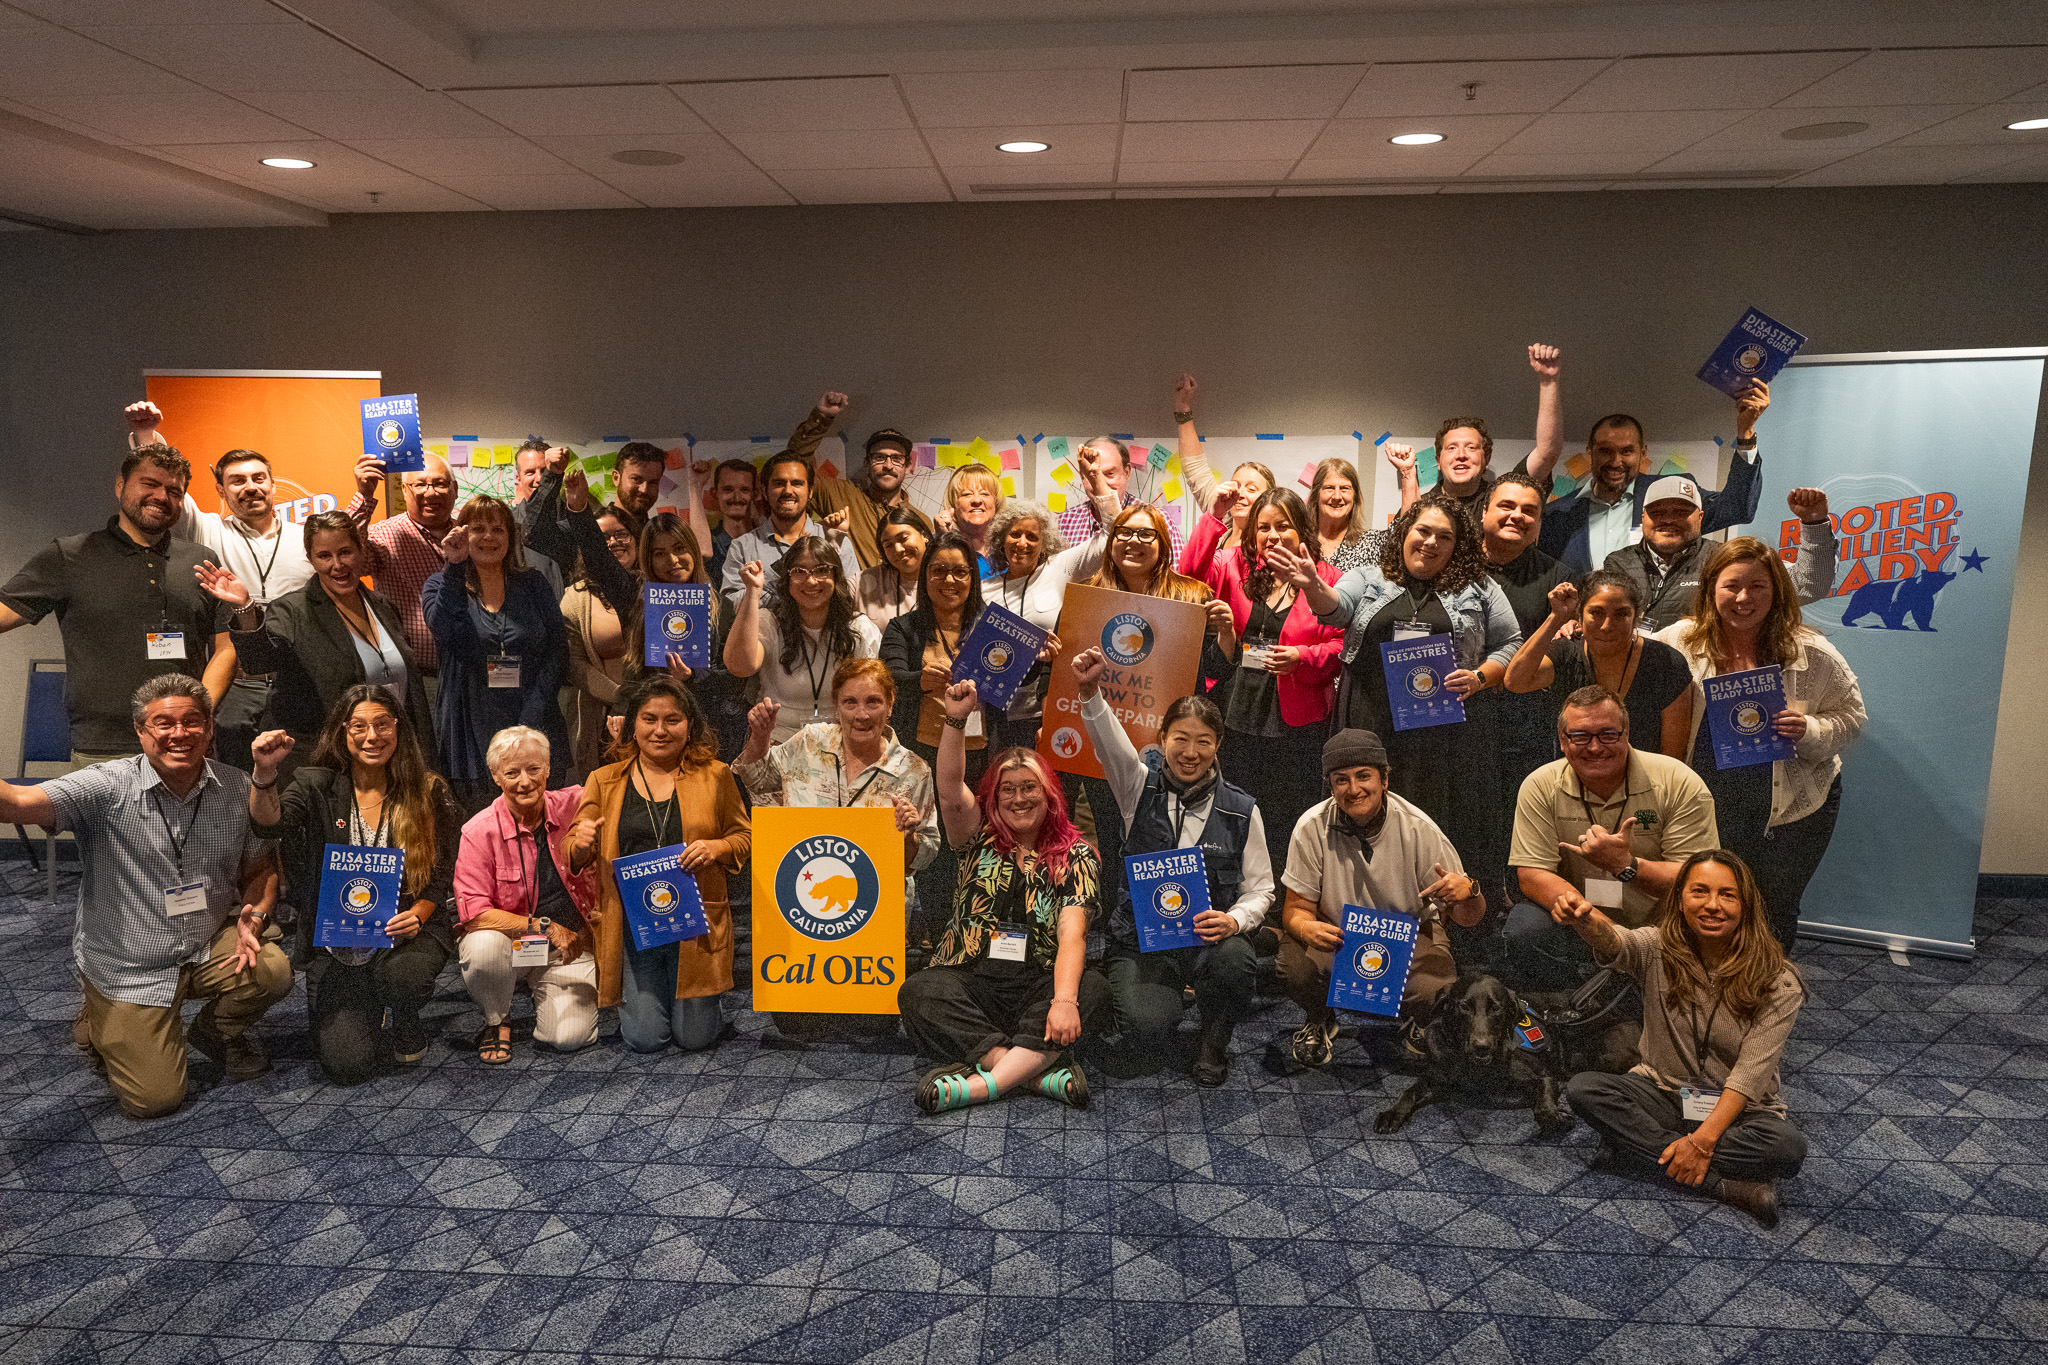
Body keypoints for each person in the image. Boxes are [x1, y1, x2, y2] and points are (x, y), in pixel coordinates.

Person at [0, 676, 289, 1119]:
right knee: (155, 1101)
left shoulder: (237, 788)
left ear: (210, 727)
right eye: (163, 723)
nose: (179, 734)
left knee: (272, 970)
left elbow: (260, 868)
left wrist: (257, 917)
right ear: (140, 731)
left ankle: (216, 1032)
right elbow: (17, 804)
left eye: (192, 721)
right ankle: (97, 1019)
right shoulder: (105, 786)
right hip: (129, 965)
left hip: (202, 943)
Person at [1278, 490, 1521, 911]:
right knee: (1362, 808)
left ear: (1457, 545)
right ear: (1404, 532)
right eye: (1422, 531)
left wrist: (1481, 677)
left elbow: (1512, 643)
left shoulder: (1480, 587)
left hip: (1440, 725)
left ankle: (1431, 915)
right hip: (1369, 716)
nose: (1430, 542)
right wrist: (1315, 586)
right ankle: (1358, 908)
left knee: (1427, 815)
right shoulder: (1370, 576)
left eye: (1443, 537)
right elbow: (1336, 609)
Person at [1555, 850, 1810, 1229]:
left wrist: (1703, 1142)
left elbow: (1749, 1076)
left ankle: (1640, 1148)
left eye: (1728, 895)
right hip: (1662, 1092)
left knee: (1787, 1148)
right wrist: (1583, 920)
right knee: (1584, 1089)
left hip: (1738, 1113)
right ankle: (1726, 1187)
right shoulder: (1656, 947)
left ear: (1747, 906)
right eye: (1700, 892)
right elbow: (1615, 942)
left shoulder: (1779, 981)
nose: (1712, 905)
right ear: (1680, 899)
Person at [897, 679, 1110, 1113]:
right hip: (974, 977)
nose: (1018, 798)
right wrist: (955, 719)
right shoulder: (975, 836)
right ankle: (1032, 1074)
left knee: (1093, 990)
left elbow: (1073, 936)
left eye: (1029, 787)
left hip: (1039, 981)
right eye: (1007, 789)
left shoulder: (1078, 854)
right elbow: (949, 787)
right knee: (919, 991)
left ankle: (979, 1086)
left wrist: (1064, 1002)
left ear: (1050, 794)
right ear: (992, 797)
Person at [1072, 648, 1273, 1086]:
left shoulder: (1242, 810)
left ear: (1218, 746)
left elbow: (1261, 890)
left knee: (1238, 958)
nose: (1190, 752)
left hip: (1208, 943)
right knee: (1145, 1029)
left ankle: (1213, 1040)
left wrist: (1235, 920)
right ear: (1162, 738)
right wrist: (1089, 692)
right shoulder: (1137, 787)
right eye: (1180, 738)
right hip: (1145, 943)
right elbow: (1109, 742)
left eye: (1204, 741)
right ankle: (1160, 1001)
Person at [1654, 537, 1866, 948]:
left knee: (1773, 908)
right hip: (1710, 797)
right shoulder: (1681, 640)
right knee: (1707, 906)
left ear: (1778, 592)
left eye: (1758, 587)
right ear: (1711, 588)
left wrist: (1809, 729)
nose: (1744, 597)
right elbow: (1628, 653)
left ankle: (1764, 999)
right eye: (1732, 585)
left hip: (1790, 805)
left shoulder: (1810, 652)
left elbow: (1852, 718)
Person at [248, 686, 460, 1083]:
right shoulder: (315, 785)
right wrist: (264, 773)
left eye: (383, 724)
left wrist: (419, 913)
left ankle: (403, 1010)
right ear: (342, 733)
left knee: (404, 980)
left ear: (399, 729)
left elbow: (442, 872)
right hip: (337, 940)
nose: (372, 736)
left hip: (405, 935)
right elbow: (268, 822)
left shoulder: (427, 790)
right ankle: (366, 1001)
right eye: (358, 726)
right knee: (347, 1067)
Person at [0, 443, 235, 763]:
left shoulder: (201, 561)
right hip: (102, 748)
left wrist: (200, 709)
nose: (161, 496)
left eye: (174, 491)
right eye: (149, 484)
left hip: (185, 745)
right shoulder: (70, 555)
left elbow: (226, 646)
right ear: (120, 486)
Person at [1276, 728, 1489, 1068]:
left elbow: (1469, 918)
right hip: (1339, 934)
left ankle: (1416, 1020)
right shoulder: (1310, 826)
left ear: (1385, 779)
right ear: (1330, 786)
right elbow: (1296, 909)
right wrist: (1305, 928)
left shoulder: (1420, 828)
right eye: (1341, 780)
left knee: (1440, 994)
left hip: (1407, 934)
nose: (1354, 789)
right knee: (1293, 967)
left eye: (1364, 776)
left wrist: (1470, 891)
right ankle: (1321, 1018)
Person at [124, 402, 314, 769]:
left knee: (297, 777)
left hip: (297, 680)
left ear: (273, 484)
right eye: (237, 481)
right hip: (237, 685)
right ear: (222, 491)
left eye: (258, 478)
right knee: (232, 778)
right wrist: (146, 435)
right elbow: (166, 489)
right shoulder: (208, 528)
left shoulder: (306, 536)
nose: (250, 488)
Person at [572, 675, 750, 1052]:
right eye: (649, 719)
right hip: (634, 924)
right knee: (645, 1039)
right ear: (631, 726)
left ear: (690, 727)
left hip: (695, 923)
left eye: (673, 720)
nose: (660, 730)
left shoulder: (716, 776)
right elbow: (575, 845)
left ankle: (697, 1002)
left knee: (695, 1038)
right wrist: (581, 843)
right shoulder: (603, 781)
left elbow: (744, 838)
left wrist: (716, 848)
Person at [1506, 686, 1720, 989]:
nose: (1594, 748)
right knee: (1524, 930)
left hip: (1660, 926)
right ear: (1563, 742)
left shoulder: (1678, 782)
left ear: (1626, 733)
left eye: (1608, 734)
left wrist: (1626, 865)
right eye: (1580, 736)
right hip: (1582, 921)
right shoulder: (1540, 785)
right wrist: (1596, 925)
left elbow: (1700, 880)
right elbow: (1531, 873)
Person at [1180, 484, 1345, 877]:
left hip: (1296, 711)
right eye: (1264, 527)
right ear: (1252, 532)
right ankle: (1230, 886)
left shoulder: (1327, 578)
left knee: (1287, 809)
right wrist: (1213, 519)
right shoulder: (1233, 564)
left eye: (1284, 526)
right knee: (1232, 805)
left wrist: (1301, 657)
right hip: (1235, 708)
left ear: (1302, 530)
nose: (1273, 536)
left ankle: (1280, 899)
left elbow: (1342, 644)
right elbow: (1186, 580)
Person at [203, 512, 433, 782]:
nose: (338, 565)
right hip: (325, 766)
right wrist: (245, 608)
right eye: (324, 556)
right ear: (311, 560)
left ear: (361, 552)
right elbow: (259, 659)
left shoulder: (383, 606)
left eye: (345, 552)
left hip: (388, 757)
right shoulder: (292, 610)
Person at [1081, 500, 1237, 897]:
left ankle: (1166, 914)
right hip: (1107, 734)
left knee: (1165, 833)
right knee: (1109, 827)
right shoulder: (1089, 597)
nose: (1133, 541)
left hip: (1168, 743)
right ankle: (1115, 924)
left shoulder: (1192, 595)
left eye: (1145, 534)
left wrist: (1225, 636)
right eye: (1124, 533)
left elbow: (1215, 672)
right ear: (1111, 542)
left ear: (1163, 543)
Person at [732, 659, 939, 916]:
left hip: (877, 916)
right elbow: (757, 778)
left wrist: (908, 837)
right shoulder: (809, 741)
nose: (861, 714)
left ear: (890, 705)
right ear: (837, 707)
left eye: (873, 702)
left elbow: (926, 855)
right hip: (797, 901)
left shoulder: (914, 770)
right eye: (849, 702)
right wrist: (759, 737)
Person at [454, 725, 601, 1063]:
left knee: (567, 1038)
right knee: (483, 947)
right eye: (512, 772)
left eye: (534, 769)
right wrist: (544, 926)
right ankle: (497, 1019)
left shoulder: (578, 804)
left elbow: (615, 784)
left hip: (569, 946)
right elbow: (475, 915)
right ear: (495, 776)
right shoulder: (478, 831)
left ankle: (543, 990)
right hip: (513, 943)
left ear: (548, 769)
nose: (525, 781)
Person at [879, 534, 996, 938]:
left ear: (972, 578)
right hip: (924, 754)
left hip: (984, 753)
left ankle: (980, 928)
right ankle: (940, 932)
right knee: (936, 847)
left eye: (960, 571)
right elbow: (888, 678)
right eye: (939, 570)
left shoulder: (992, 625)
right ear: (924, 577)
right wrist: (919, 680)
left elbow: (1014, 679)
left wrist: (1041, 658)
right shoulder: (905, 627)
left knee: (984, 839)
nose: (949, 580)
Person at [422, 496, 571, 812]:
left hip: (534, 716)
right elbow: (445, 631)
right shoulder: (440, 584)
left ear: (510, 536)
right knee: (482, 829)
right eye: (478, 528)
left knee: (544, 825)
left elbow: (558, 648)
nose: (489, 537)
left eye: (497, 529)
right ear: (462, 534)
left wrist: (535, 710)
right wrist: (454, 565)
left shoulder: (533, 583)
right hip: (469, 725)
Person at [1539, 382, 1768, 574]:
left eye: (1626, 451)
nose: (1616, 461)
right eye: (1605, 451)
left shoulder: (1673, 496)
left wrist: (1745, 433)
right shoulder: (1556, 516)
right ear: (1591, 452)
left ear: (1643, 453)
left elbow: (1738, 508)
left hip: (1657, 625)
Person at [1608, 474, 1838, 634]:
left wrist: (1814, 523)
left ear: (1700, 517)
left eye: (1680, 511)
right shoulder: (1617, 563)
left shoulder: (1725, 559)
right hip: (1630, 681)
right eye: (1657, 512)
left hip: (1703, 688)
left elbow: (1808, 585)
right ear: (1643, 518)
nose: (1668, 519)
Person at [1505, 571, 1693, 759]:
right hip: (1574, 778)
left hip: (1645, 782)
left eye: (1621, 614)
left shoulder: (1666, 662)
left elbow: (1672, 758)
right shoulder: (1566, 652)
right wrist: (1556, 617)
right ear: (1579, 616)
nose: (1607, 625)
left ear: (1636, 618)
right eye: (1596, 612)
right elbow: (1516, 681)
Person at [724, 538, 883, 746]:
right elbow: (740, 667)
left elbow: (873, 697)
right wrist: (752, 591)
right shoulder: (769, 623)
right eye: (799, 571)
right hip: (778, 742)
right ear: (787, 579)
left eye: (821, 570)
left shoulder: (859, 629)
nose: (811, 581)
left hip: (842, 742)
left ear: (835, 576)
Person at [347, 452, 456, 707]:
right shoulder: (384, 535)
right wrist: (364, 496)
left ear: (455, 489)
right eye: (420, 484)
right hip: (417, 677)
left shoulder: (470, 534)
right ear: (405, 490)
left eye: (440, 483)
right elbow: (347, 557)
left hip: (470, 673)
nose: (430, 492)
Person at [1424, 344, 1565, 523]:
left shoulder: (1503, 498)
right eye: (1452, 448)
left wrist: (1548, 382)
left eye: (1471, 448)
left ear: (1486, 458)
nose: (1461, 455)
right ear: (1438, 461)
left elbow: (1547, 454)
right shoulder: (1419, 508)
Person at [798, 393, 935, 570]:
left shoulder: (921, 521)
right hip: (855, 596)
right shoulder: (843, 497)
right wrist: (821, 417)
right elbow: (796, 466)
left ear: (907, 466)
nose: (888, 465)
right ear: (867, 463)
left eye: (896, 459)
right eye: (879, 458)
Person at [979, 499, 1075, 750]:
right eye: (1015, 534)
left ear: (1045, 545)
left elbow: (1105, 542)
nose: (1022, 543)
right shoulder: (982, 590)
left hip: (1042, 712)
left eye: (1032, 536)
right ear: (1002, 539)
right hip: (993, 713)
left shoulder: (1057, 574)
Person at [557, 503, 638, 781]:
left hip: (649, 709)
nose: (614, 542)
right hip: (600, 715)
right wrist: (620, 697)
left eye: (622, 534)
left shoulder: (656, 589)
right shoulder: (575, 597)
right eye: (604, 537)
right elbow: (573, 662)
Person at [718, 452, 861, 605]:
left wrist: (760, 590)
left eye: (797, 483)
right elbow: (730, 603)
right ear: (765, 492)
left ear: (810, 492)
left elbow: (852, 599)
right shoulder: (742, 547)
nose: (787, 491)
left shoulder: (834, 540)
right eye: (779, 483)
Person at [1054, 434, 1187, 566]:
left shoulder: (1160, 521)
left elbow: (1177, 583)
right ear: (1082, 476)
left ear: (1127, 472)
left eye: (1110, 474)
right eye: (1092, 475)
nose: (1101, 483)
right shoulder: (1063, 524)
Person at [1307, 454, 1399, 575]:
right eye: (1329, 488)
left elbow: (1405, 533)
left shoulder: (1371, 544)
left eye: (1345, 488)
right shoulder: (1301, 541)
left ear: (1355, 497)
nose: (1337, 496)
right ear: (1316, 495)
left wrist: (1407, 473)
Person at [506, 436, 566, 599]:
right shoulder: (508, 524)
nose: (539, 479)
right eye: (530, 472)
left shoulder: (574, 518)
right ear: (518, 478)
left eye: (545, 471)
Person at [858, 507, 930, 631]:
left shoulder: (945, 577)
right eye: (888, 545)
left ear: (924, 535)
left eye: (903, 539)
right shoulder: (866, 580)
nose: (897, 549)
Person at [939, 464, 1005, 577]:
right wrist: (942, 542)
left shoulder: (1009, 547)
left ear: (996, 503)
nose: (976, 500)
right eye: (967, 494)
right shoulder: (937, 542)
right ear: (954, 503)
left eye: (984, 493)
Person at [705, 458, 759, 589]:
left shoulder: (767, 542)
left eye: (744, 490)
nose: (736, 498)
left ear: (755, 494)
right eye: (728, 490)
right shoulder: (708, 544)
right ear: (715, 493)